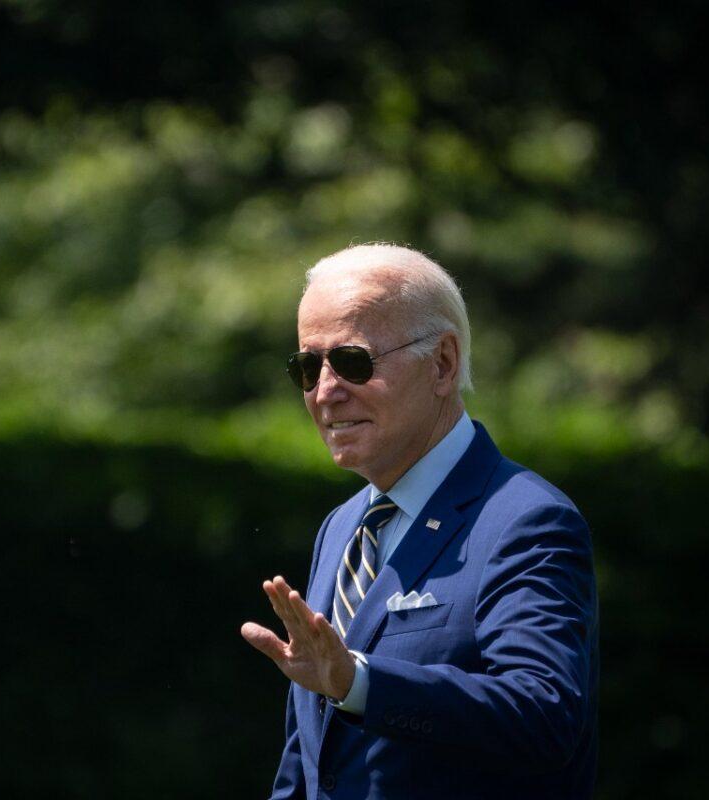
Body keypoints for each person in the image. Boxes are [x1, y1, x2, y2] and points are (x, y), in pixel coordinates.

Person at [240, 244, 598, 799]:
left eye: (353, 361)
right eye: (308, 367)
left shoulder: (525, 519)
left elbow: (543, 714)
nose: (326, 392)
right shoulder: (342, 527)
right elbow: (311, 759)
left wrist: (360, 683)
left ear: (443, 363)